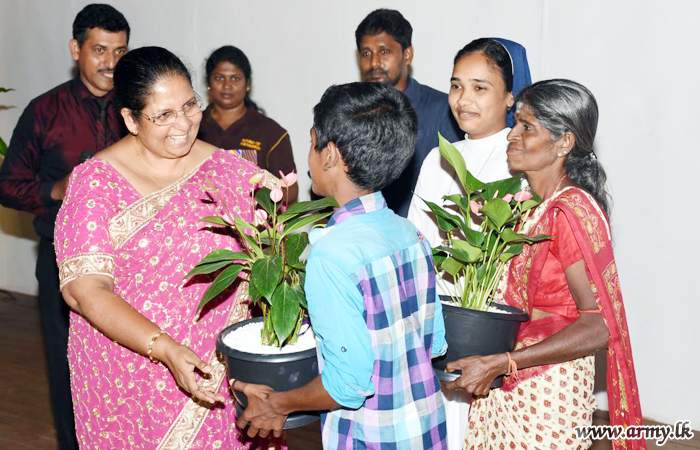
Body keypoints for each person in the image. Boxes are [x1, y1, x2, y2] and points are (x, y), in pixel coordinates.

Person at [54, 46, 284, 449]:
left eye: (189, 106)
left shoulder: (227, 171)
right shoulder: (95, 184)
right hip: (129, 375)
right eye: (163, 115)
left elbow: (270, 260)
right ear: (130, 119)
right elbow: (84, 290)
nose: (183, 124)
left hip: (220, 370)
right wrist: (165, 349)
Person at [232, 82, 448, 449]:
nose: (309, 156)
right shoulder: (410, 233)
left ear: (329, 154)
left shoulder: (331, 255)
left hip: (374, 437)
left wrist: (279, 403)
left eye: (311, 141)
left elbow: (348, 384)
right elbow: (434, 343)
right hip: (425, 427)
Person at [445, 79, 645, 450]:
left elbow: (599, 326)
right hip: (510, 382)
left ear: (563, 143)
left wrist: (504, 363)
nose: (511, 136)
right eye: (515, 123)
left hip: (548, 394)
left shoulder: (569, 211)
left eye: (526, 127)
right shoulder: (532, 208)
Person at [0, 5, 130, 449]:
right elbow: (8, 185)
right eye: (99, 50)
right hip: (62, 266)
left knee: (128, 366)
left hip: (132, 263)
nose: (111, 62)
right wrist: (56, 188)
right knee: (68, 367)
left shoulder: (139, 106)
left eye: (119, 50)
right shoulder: (44, 111)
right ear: (76, 49)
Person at [408, 37, 531, 252]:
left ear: (510, 97)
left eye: (479, 88)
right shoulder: (436, 158)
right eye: (456, 86)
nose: (463, 100)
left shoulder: (522, 164)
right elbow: (413, 240)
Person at [355, 9, 461, 217]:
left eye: (384, 52)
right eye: (366, 53)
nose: (374, 63)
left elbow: (456, 186)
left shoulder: (442, 109)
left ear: (407, 54)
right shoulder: (353, 111)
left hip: (425, 238)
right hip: (363, 236)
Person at [197, 45, 298, 202]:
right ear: (208, 83)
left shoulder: (271, 133)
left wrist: (253, 202)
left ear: (247, 84)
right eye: (219, 78)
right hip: (195, 221)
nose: (227, 85)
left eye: (235, 78)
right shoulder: (191, 127)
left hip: (254, 223)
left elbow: (289, 191)